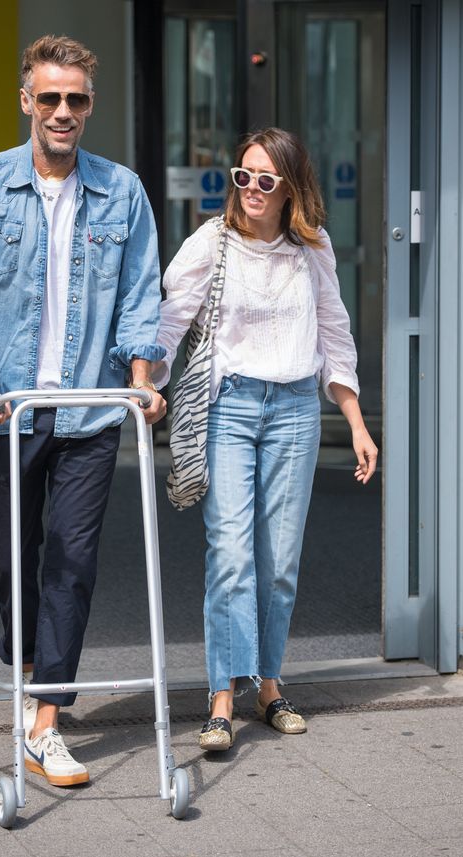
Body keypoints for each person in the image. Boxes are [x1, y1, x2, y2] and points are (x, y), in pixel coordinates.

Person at [0, 35, 166, 785]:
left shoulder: (121, 190)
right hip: (6, 408)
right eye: (52, 97)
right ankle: (32, 665)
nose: (65, 111)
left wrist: (138, 381)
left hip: (89, 413)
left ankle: (45, 720)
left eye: (78, 99)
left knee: (71, 561)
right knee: (7, 556)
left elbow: (140, 297)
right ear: (27, 100)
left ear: (89, 106)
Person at [155, 128, 378, 751]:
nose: (251, 189)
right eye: (242, 176)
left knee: (279, 561)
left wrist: (356, 422)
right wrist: (147, 384)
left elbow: (335, 333)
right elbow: (171, 320)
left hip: (296, 410)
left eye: (266, 180)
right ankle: (222, 694)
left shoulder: (313, 249)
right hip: (230, 407)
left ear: (290, 189)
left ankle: (270, 684)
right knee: (230, 552)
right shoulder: (212, 243)